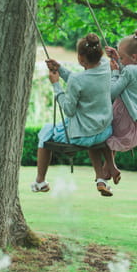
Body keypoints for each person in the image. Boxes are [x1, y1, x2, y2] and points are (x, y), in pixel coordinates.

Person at [31, 33, 114, 196]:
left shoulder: (78, 79)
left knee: (46, 132)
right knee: (90, 135)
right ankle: (100, 179)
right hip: (103, 131)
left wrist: (56, 85)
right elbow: (83, 82)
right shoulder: (105, 66)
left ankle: (40, 181)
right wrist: (60, 69)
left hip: (82, 135)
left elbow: (68, 110)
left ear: (81, 58)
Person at [102, 29, 137, 182]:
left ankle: (108, 170)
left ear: (134, 57)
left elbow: (112, 93)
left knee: (107, 137)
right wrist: (118, 58)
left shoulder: (130, 71)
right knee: (113, 141)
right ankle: (106, 174)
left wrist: (114, 72)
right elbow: (131, 69)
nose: (120, 60)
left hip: (126, 114)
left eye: (121, 57)